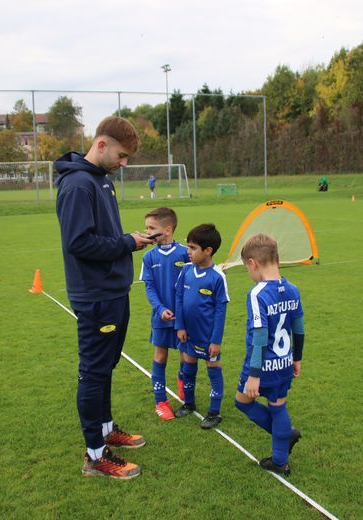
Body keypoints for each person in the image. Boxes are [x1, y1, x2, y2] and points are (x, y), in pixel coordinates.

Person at [55, 116, 154, 480]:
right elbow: (79, 243)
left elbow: (103, 236)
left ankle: (106, 428)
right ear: (101, 145)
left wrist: (130, 239)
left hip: (114, 290)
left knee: (106, 366)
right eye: (121, 155)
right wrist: (127, 243)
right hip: (95, 295)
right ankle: (95, 456)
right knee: (94, 371)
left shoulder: (101, 180)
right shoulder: (78, 185)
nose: (124, 163)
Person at [234, 234, 304, 477]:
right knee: (278, 406)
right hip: (285, 363)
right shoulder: (293, 289)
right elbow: (299, 328)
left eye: (247, 269)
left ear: (252, 263)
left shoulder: (258, 293)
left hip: (262, 366)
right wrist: (297, 358)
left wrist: (254, 375)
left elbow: (260, 335)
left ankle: (283, 437)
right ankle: (280, 460)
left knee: (242, 402)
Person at [174, 224, 229, 429]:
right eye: (188, 246)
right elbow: (179, 298)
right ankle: (189, 403)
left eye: (193, 247)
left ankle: (214, 412)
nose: (188, 251)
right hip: (188, 333)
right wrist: (180, 326)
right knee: (188, 368)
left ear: (208, 251)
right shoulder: (186, 270)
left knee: (213, 370)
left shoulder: (217, 276)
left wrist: (216, 341)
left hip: (207, 337)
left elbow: (221, 311)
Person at [139, 208, 190, 420]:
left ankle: (183, 384)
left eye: (151, 228)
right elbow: (149, 287)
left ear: (167, 230)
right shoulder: (149, 256)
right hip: (160, 317)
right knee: (160, 356)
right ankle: (161, 402)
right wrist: (160, 309)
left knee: (186, 357)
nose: (147, 232)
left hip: (183, 318)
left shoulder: (186, 253)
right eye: (147, 228)